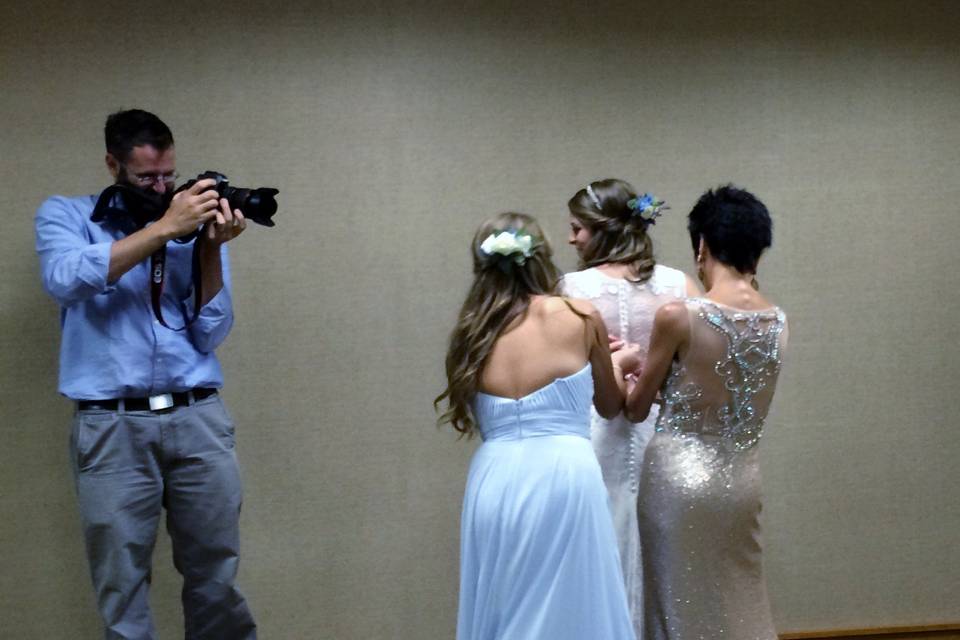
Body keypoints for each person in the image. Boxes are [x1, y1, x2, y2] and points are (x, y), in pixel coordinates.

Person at [34, 109, 257, 639]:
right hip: (111, 428)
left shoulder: (191, 226)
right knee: (122, 583)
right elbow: (65, 279)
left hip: (197, 417)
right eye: (146, 178)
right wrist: (163, 230)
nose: (161, 188)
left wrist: (206, 247)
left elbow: (210, 332)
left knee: (217, 576)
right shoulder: (67, 215)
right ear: (113, 163)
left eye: (167, 177)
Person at [436, 213, 638, 640]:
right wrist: (620, 364)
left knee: (504, 597)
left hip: (494, 475)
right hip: (564, 474)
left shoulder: (471, 333)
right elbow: (609, 403)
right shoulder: (578, 316)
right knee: (572, 602)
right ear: (542, 258)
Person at [624, 185, 788, 640]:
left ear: (702, 246)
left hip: (677, 480)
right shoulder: (779, 321)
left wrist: (627, 374)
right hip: (742, 481)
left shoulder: (678, 315)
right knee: (741, 598)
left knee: (676, 604)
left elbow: (637, 409)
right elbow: (732, 396)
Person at [560, 178, 699, 635]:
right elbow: (708, 360)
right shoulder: (679, 284)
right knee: (669, 547)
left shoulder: (572, 288)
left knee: (602, 543)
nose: (571, 238)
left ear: (602, 230)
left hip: (597, 428)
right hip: (665, 426)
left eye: (577, 228)